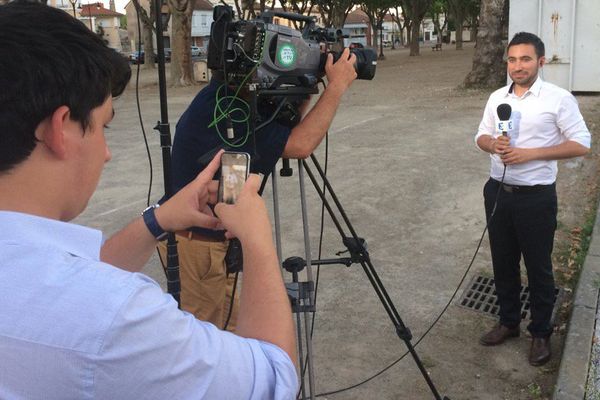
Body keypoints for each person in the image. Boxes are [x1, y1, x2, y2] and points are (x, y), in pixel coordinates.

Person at [0, 2, 297, 399]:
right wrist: (258, 241)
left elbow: (55, 281)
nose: (106, 152)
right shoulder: (117, 317)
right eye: (103, 126)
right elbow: (272, 377)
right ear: (61, 130)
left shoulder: (37, 274)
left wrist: (160, 218)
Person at [163, 38, 358, 331]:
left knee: (226, 335)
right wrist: (336, 87)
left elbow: (284, 128)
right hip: (198, 248)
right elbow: (300, 144)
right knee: (205, 345)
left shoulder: (228, 98)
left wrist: (305, 84)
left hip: (212, 244)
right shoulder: (228, 110)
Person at [475, 32, 591, 366]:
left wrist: (531, 155)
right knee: (503, 261)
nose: (517, 66)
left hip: (536, 197)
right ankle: (509, 321)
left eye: (525, 59)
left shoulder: (558, 98)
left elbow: (581, 143)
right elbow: (480, 135)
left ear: (540, 61)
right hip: (497, 191)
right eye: (512, 59)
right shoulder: (498, 97)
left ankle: (540, 332)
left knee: (538, 267)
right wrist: (491, 145)